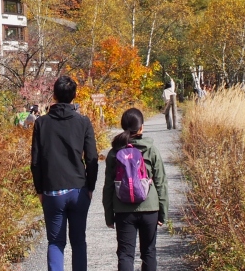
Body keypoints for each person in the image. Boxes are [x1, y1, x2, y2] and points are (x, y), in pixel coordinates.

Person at [31, 76, 99, 271]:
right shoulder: (83, 122)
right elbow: (92, 158)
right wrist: (90, 186)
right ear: (74, 96)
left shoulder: (42, 123)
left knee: (55, 242)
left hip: (52, 190)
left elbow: (36, 162)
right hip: (78, 189)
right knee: (78, 242)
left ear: (54, 95)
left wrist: (39, 189)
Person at [102, 108, 168, 271]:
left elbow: (108, 186)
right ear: (141, 127)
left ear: (123, 127)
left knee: (125, 254)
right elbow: (161, 182)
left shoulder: (115, 152)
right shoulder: (151, 149)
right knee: (149, 253)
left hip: (124, 211)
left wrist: (109, 215)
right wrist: (163, 212)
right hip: (150, 208)